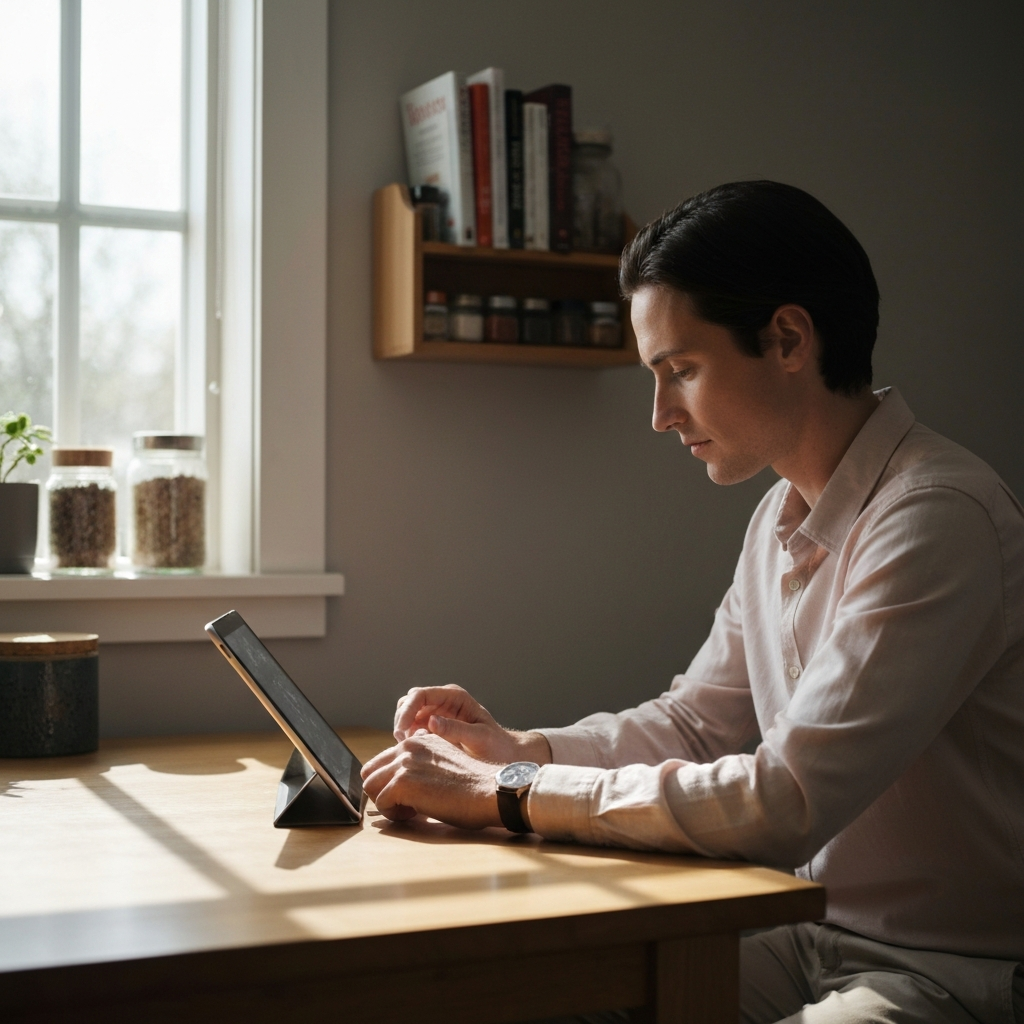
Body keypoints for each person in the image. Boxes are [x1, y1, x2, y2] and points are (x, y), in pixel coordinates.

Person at [361, 181, 1024, 1024]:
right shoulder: (779, 516)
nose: (659, 414)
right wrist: (518, 747)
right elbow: (692, 723)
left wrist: (509, 789)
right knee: (540, 996)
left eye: (680, 370)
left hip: (954, 973)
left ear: (788, 339)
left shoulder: (938, 518)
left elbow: (781, 801)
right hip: (807, 931)